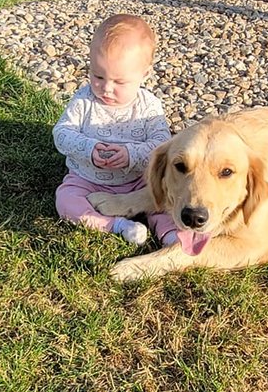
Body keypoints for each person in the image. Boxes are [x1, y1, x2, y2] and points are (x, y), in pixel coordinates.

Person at [52, 13, 181, 247]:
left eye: (119, 82)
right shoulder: (84, 100)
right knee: (65, 200)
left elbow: (162, 145)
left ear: (145, 74)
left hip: (138, 181)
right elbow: (61, 134)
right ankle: (115, 225)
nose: (106, 88)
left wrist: (131, 154)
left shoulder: (148, 107)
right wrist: (89, 149)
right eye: (98, 76)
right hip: (88, 179)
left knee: (163, 199)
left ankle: (170, 236)